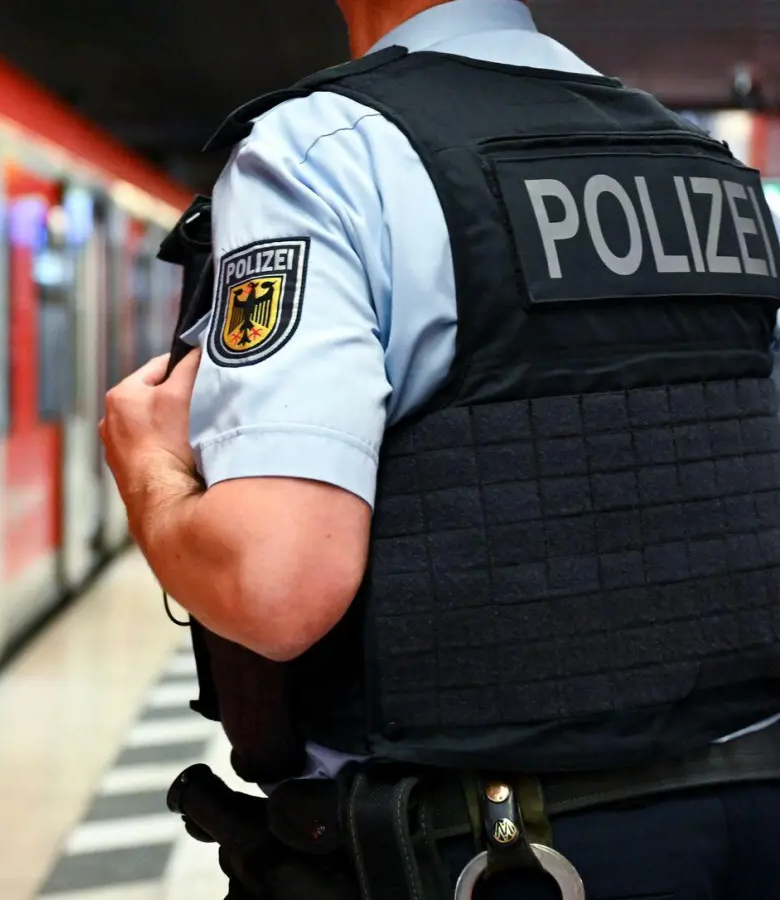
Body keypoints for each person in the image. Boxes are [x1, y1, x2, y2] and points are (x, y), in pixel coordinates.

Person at [99, 0, 780, 898]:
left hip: (491, 853)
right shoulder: (706, 170)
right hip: (753, 812)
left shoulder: (325, 151)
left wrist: (146, 465)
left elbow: (276, 583)